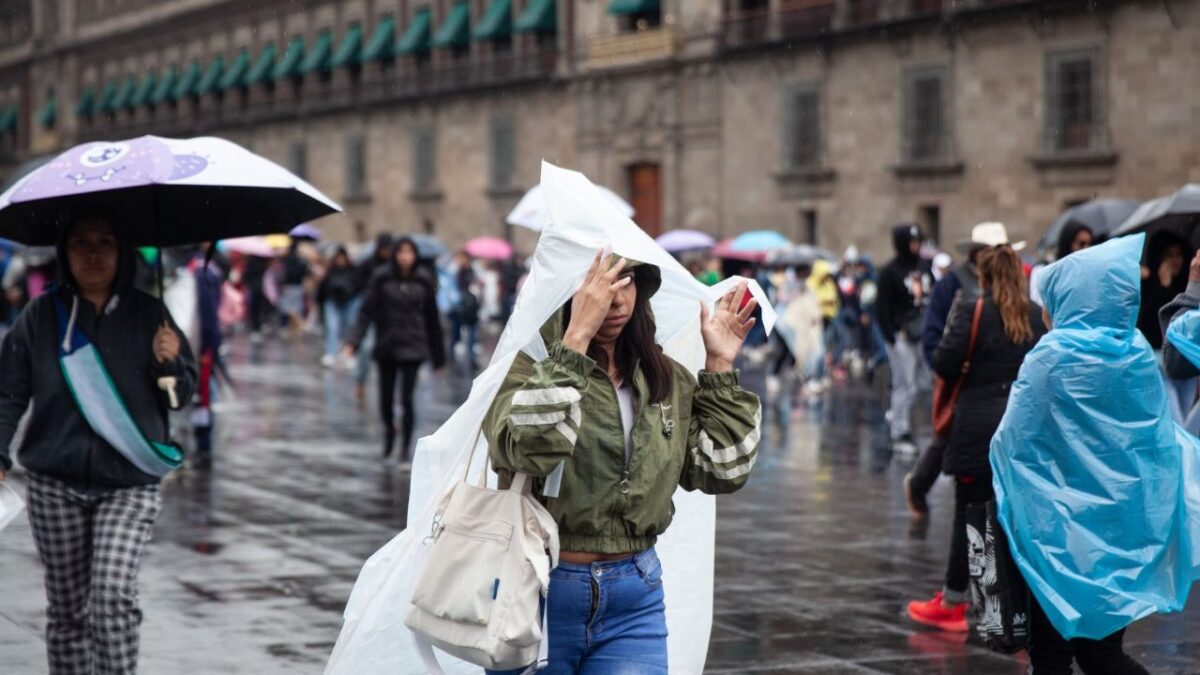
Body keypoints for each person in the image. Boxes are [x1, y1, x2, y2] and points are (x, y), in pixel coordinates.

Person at [483, 252, 762, 674]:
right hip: (536, 594)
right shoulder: (528, 369)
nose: (615, 300)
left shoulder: (664, 378)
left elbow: (722, 468)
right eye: (601, 283)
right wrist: (574, 339)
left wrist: (720, 363)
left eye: (627, 279)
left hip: (635, 597)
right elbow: (528, 447)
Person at [0, 214, 197, 674]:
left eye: (105, 243)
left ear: (121, 251)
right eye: (81, 243)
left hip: (129, 481)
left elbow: (180, 396)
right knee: (68, 612)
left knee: (111, 597)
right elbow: (8, 392)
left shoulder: (153, 315)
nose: (93, 254)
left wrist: (169, 366)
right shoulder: (39, 317)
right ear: (64, 254)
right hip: (54, 482)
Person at [991, 235, 1177, 674]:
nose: (1044, 311)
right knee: (1102, 653)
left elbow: (1010, 440)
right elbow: (1153, 441)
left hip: (1054, 535)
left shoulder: (1051, 359)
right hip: (1117, 533)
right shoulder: (1135, 355)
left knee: (1052, 655)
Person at [906, 244, 1046, 633]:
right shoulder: (1037, 316)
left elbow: (944, 363)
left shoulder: (973, 309)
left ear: (983, 276)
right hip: (1019, 430)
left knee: (969, 516)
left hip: (976, 430)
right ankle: (1015, 611)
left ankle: (954, 603)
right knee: (1013, 518)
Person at [907, 222, 1021, 517]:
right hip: (963, 374)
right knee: (949, 432)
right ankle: (919, 484)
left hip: (995, 378)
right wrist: (944, 367)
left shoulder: (1012, 287)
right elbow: (934, 334)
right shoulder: (952, 285)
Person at [344, 237, 445, 463]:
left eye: (409, 252)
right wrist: (354, 341)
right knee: (385, 399)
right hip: (387, 345)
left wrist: (438, 356)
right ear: (395, 254)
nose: (405, 257)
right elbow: (366, 312)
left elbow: (433, 319)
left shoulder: (423, 280)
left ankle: (405, 447)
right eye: (401, 252)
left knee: (407, 399)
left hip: (414, 346)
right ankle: (390, 432)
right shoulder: (381, 277)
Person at [877, 223, 932, 453]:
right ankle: (899, 431)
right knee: (904, 384)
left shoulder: (924, 266)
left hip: (924, 333)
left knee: (924, 383)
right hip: (902, 336)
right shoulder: (890, 272)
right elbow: (881, 306)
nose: (916, 246)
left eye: (918, 241)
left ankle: (901, 418)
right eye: (912, 241)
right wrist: (890, 336)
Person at [352, 233, 393, 404]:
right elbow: (357, 284)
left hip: (389, 313)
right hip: (370, 310)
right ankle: (361, 379)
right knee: (366, 347)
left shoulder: (394, 266)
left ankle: (388, 391)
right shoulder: (368, 264)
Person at [191, 244, 224, 461]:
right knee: (202, 393)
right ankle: (203, 439)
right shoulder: (205, 269)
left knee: (202, 392)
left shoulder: (199, 271)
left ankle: (203, 440)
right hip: (201, 342)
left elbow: (208, 314)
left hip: (199, 342)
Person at [1137, 231, 1190, 349]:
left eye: (1178, 254)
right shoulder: (1146, 285)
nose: (1175, 260)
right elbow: (1145, 326)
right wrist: (1163, 289)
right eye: (1169, 255)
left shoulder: (1186, 282)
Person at [1029, 222, 1093, 307]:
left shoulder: (1087, 272)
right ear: (1068, 243)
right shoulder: (1044, 269)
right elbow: (1037, 301)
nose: (1086, 249)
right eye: (1081, 244)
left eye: (1089, 245)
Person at [317, 247, 360, 368]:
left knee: (349, 327)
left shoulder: (353, 270)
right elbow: (323, 287)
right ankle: (331, 353)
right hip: (333, 301)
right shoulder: (331, 270)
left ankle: (348, 353)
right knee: (332, 327)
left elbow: (358, 285)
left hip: (349, 302)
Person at [447, 250, 481, 370]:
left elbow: (478, 288)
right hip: (459, 308)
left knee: (472, 336)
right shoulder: (455, 272)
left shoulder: (473, 273)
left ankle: (471, 359)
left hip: (471, 309)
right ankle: (450, 356)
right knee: (455, 334)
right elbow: (451, 290)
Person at [279, 239, 310, 338]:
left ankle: (300, 323)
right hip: (298, 285)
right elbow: (305, 272)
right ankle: (298, 326)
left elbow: (285, 272)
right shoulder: (300, 258)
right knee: (296, 306)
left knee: (287, 306)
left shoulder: (288, 259)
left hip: (290, 285)